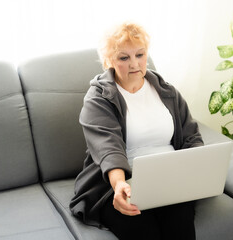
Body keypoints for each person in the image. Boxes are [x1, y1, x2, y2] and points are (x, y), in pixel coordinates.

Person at [70, 22, 204, 240]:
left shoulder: (167, 92)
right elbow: (108, 149)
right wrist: (120, 184)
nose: (135, 64)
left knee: (180, 221)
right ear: (109, 61)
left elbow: (191, 137)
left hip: (170, 181)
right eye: (124, 58)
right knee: (142, 228)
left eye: (140, 54)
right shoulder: (98, 98)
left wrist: (195, 169)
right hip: (121, 183)